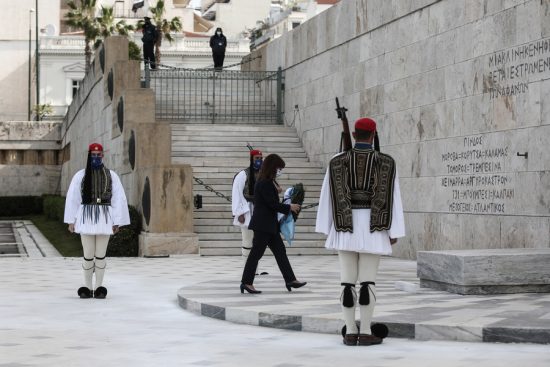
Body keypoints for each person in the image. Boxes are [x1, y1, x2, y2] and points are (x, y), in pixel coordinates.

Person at [315, 118, 405, 346]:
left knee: (346, 282)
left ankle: (349, 331)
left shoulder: (337, 161)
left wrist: (327, 228)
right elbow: (394, 198)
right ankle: (365, 331)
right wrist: (393, 230)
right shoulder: (386, 161)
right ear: (373, 134)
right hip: (374, 227)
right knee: (368, 282)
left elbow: (327, 196)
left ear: (354, 135)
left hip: (344, 227)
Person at [64, 143, 130, 299]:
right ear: (89, 156)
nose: (95, 157)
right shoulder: (80, 175)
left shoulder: (111, 175)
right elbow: (73, 198)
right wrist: (71, 221)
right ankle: (87, 288)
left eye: (98, 155)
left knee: (100, 255)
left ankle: (99, 287)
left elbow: (118, 199)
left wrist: (117, 222)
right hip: (86, 217)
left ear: (102, 156)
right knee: (88, 254)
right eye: (93, 155)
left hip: (105, 218)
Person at [240, 154, 306, 294]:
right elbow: (272, 204)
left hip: (270, 226)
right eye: (278, 168)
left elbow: (272, 203)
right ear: (272, 167)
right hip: (263, 226)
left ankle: (290, 280)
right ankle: (246, 282)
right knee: (256, 254)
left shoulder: (268, 182)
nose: (279, 171)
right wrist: (289, 207)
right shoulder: (264, 183)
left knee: (280, 253)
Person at [232, 149, 267, 273]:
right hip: (247, 210)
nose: (259, 161)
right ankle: (246, 269)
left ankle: (255, 269)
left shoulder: (264, 174)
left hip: (259, 210)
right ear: (251, 159)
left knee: (257, 242)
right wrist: (240, 212)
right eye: (257, 158)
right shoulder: (243, 174)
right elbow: (237, 193)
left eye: (261, 158)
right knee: (247, 240)